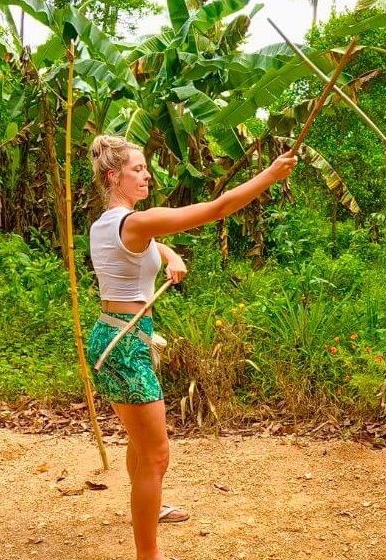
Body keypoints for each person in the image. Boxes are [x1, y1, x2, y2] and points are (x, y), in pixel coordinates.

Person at [86, 135, 296, 560]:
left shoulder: (106, 223)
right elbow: (217, 208)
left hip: (111, 335)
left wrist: (170, 255)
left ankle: (148, 506)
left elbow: (144, 243)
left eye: (146, 168)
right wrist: (270, 176)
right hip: (125, 345)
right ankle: (149, 554)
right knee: (156, 455)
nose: (146, 175)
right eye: (137, 169)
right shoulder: (136, 223)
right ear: (113, 176)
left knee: (140, 443)